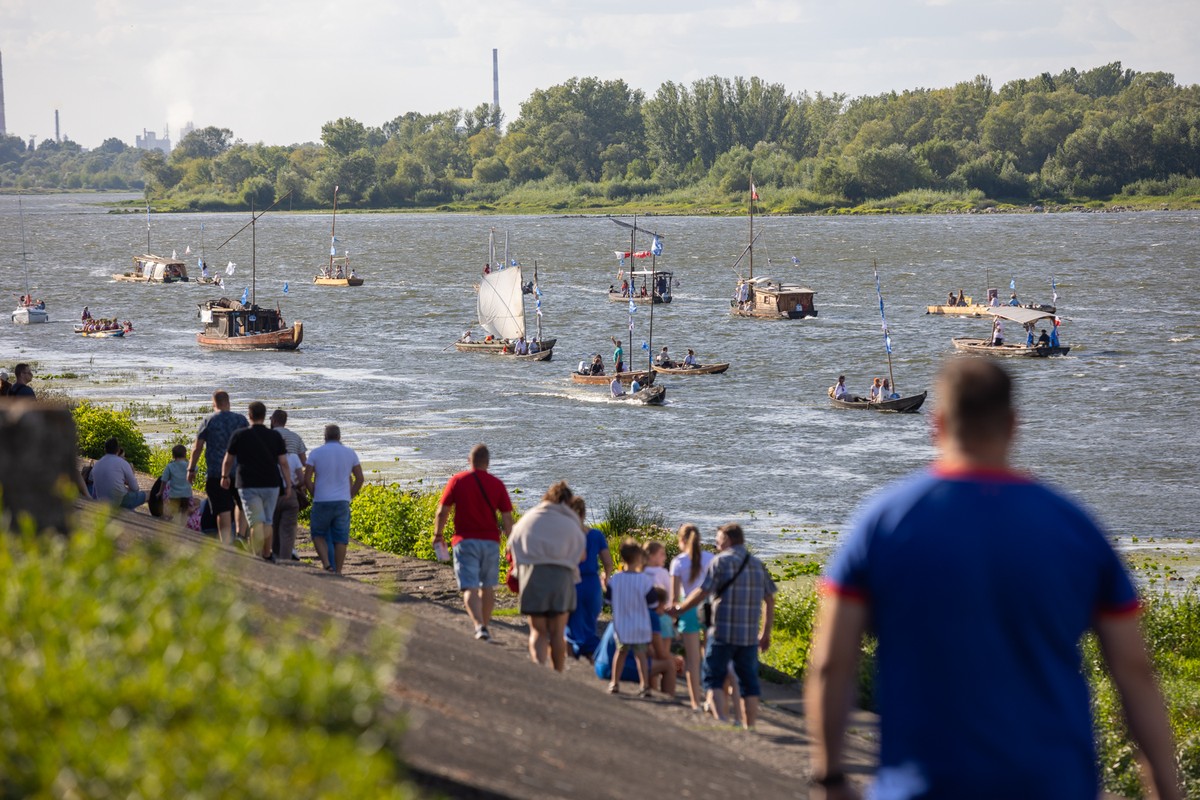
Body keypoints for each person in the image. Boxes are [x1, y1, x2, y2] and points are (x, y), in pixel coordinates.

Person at [805, 358, 1181, 799]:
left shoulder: (882, 523)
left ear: (937, 424)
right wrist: (1167, 790)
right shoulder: (1075, 526)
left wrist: (830, 777)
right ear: (1013, 425)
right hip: (1053, 784)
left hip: (923, 785)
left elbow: (832, 663)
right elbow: (1134, 672)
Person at [669, 523, 776, 728]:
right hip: (748, 635)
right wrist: (765, 633)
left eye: (718, 540)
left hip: (722, 632)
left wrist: (680, 608)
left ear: (728, 539)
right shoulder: (757, 564)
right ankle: (749, 727)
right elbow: (769, 600)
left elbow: (702, 591)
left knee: (714, 677)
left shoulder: (720, 562)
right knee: (748, 683)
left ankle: (722, 723)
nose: (716, 544)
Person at [434, 444, 514, 641]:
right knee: (487, 586)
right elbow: (507, 517)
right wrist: (510, 543)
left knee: (469, 586)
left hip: (465, 541)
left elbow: (442, 511)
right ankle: (485, 626)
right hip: (491, 542)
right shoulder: (497, 484)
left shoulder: (457, 481)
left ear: (469, 461)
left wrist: (438, 534)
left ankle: (479, 626)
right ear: (488, 462)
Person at [507, 481, 587, 672]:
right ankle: (557, 672)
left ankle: (539, 670)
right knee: (558, 633)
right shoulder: (570, 523)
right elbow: (582, 555)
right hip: (562, 577)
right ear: (568, 501)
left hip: (532, 574)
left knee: (538, 631)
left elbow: (512, 544)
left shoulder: (530, 517)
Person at [223, 401, 290, 563]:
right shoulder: (275, 436)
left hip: (248, 483)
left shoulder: (239, 435)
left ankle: (256, 555)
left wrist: (224, 476)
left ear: (250, 415)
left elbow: (228, 459)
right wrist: (288, 484)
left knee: (255, 521)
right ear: (265, 416)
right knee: (268, 520)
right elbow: (283, 463)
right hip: (271, 483)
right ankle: (267, 554)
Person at [188, 390, 248, 545]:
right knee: (242, 503)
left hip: (216, 472)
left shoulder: (209, 421)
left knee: (222, 509)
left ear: (214, 404)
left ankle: (226, 543)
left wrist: (191, 469)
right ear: (228, 403)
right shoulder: (241, 420)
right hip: (239, 470)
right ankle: (241, 536)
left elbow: (197, 447)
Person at [304, 424, 364, 575]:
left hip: (321, 500)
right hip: (342, 501)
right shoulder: (350, 453)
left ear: (325, 436)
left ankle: (326, 564)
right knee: (341, 538)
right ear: (339, 436)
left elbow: (307, 478)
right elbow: (359, 478)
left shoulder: (316, 453)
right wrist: (350, 495)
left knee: (318, 534)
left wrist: (314, 493)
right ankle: (339, 571)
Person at [604, 540, 659, 696]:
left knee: (620, 653)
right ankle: (644, 685)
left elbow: (608, 600)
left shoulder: (616, 579)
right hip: (640, 625)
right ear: (639, 558)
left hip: (622, 625)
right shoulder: (644, 580)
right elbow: (653, 603)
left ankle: (614, 682)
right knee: (641, 656)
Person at [670, 524, 715, 712]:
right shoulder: (710, 558)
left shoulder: (678, 562)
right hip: (709, 608)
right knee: (710, 655)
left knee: (692, 660)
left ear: (681, 540)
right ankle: (710, 699)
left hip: (688, 609)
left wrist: (674, 618)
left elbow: (674, 597)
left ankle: (695, 702)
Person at [565, 495, 613, 661]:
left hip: (572, 582)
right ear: (584, 513)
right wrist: (606, 577)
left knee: (570, 625)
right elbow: (608, 562)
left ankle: (571, 660)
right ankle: (593, 656)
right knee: (590, 624)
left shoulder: (566, 536)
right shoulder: (596, 535)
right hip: (592, 584)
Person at [643, 541, 676, 697]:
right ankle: (667, 689)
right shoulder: (662, 572)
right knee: (663, 651)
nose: (665, 557)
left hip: (645, 616)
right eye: (661, 554)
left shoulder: (641, 571)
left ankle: (652, 686)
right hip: (662, 616)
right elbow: (669, 595)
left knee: (650, 652)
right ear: (651, 555)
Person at [91, 437, 147, 509]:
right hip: (120, 502)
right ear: (118, 450)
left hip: (102, 502)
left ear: (105, 450)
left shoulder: (97, 464)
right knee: (149, 494)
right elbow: (135, 488)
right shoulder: (123, 463)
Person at [159, 443, 193, 519]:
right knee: (184, 510)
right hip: (186, 493)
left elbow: (164, 480)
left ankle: (170, 519)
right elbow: (195, 468)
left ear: (173, 456)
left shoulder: (170, 466)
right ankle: (183, 523)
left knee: (173, 509)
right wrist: (187, 461)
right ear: (185, 454)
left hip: (174, 494)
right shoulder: (188, 465)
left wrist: (160, 492)